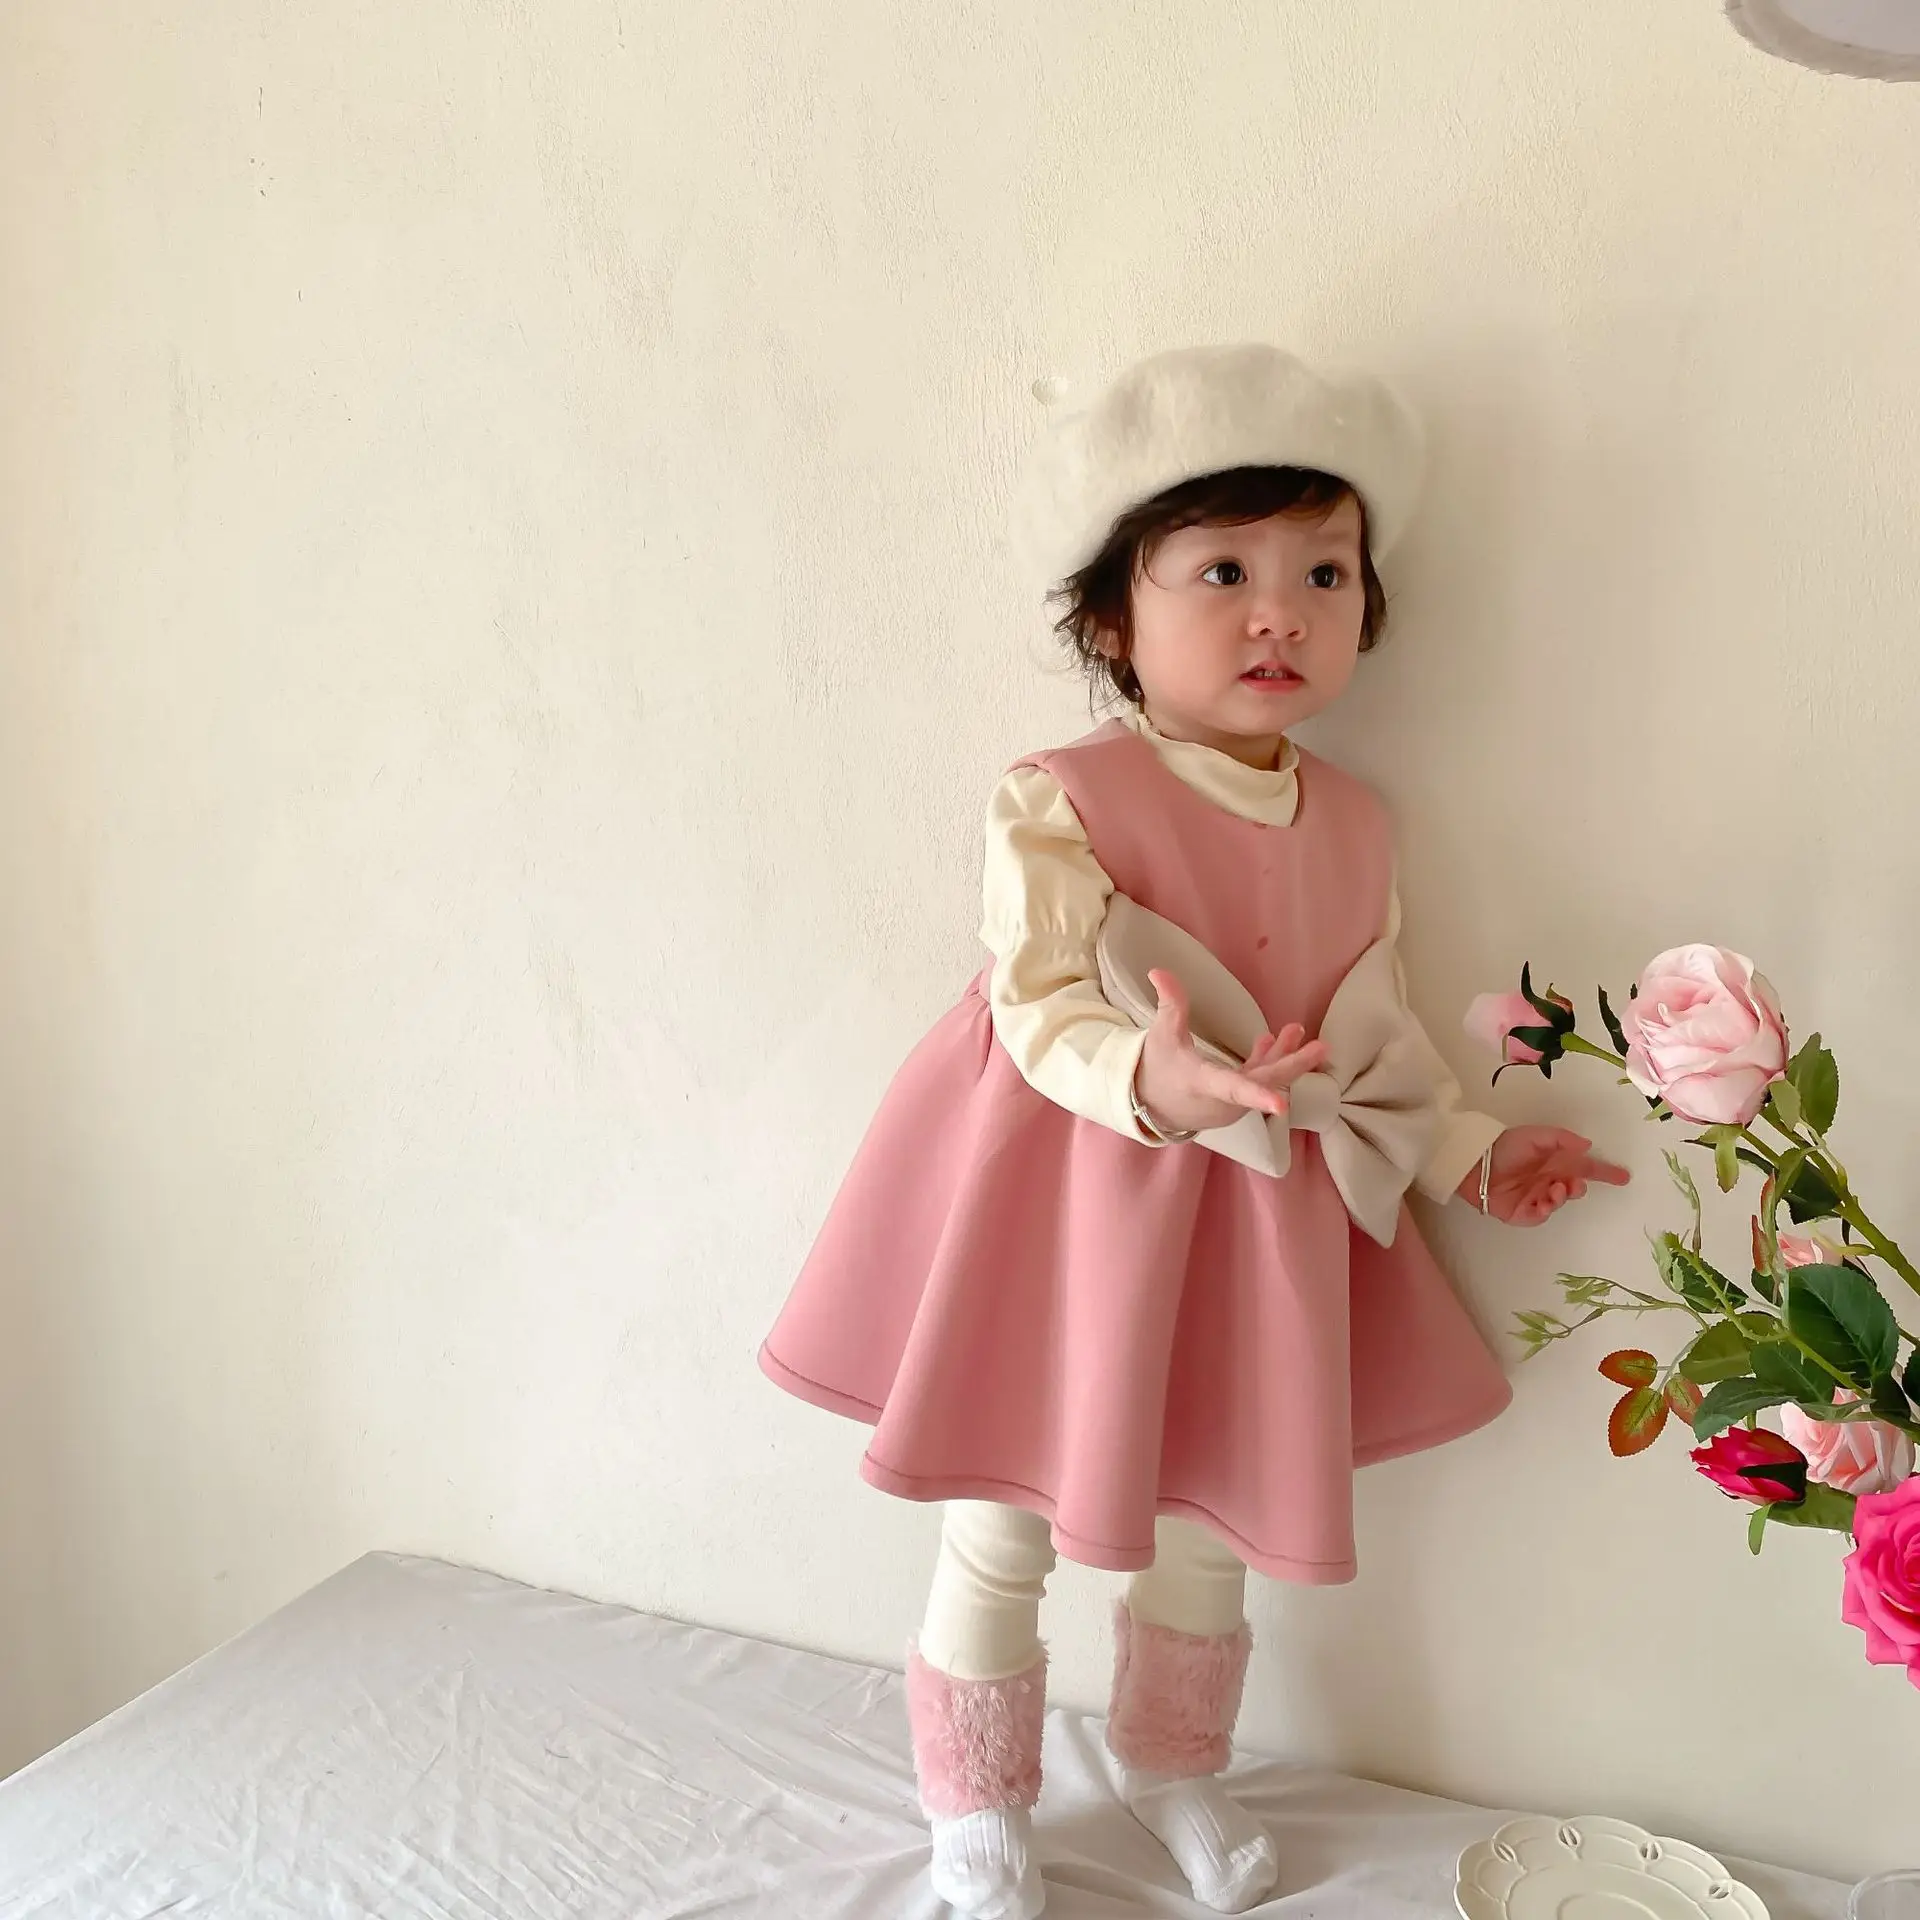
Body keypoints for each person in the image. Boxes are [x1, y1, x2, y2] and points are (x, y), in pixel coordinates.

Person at [760, 343, 1628, 1919]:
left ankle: (1174, 1763)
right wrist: (1155, 1077)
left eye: (1322, 574)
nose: (1276, 613)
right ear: (1115, 618)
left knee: (1214, 1520)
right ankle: (976, 1802)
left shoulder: (1357, 822)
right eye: (1222, 571)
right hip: (1069, 1203)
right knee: (1006, 1512)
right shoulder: (1061, 794)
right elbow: (1036, 1002)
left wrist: (1475, 1155)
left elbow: (1377, 1039)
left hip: (1256, 1217)